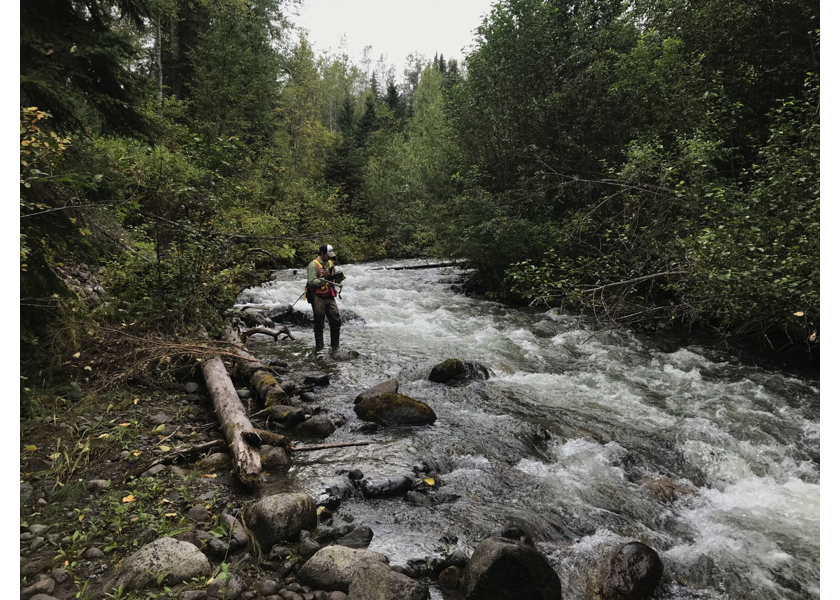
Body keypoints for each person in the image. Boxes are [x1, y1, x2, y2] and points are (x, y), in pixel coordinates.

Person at [307, 244, 343, 351]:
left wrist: (338, 278)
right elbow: (312, 281)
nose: (330, 258)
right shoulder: (313, 265)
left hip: (330, 295)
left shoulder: (330, 263)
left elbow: (334, 277)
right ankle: (319, 349)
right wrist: (325, 279)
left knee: (336, 320)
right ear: (322, 254)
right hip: (318, 297)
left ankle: (335, 347)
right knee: (319, 323)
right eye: (328, 255)